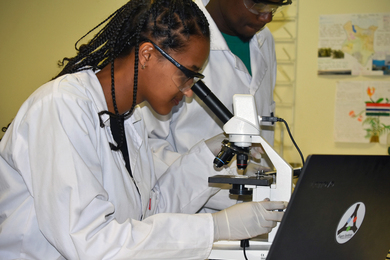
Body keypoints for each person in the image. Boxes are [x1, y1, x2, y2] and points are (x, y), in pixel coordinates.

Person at [0, 0, 287, 259]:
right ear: (148, 55)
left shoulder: (129, 120)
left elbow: (149, 209)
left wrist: (206, 157)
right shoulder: (61, 106)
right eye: (187, 75)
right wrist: (216, 227)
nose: (189, 92)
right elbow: (92, 243)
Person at [140, 0, 292, 212]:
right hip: (190, 215)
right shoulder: (174, 31)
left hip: (259, 209)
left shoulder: (265, 41)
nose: (267, 17)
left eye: (274, 8)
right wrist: (230, 193)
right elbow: (148, 150)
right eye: (257, 4)